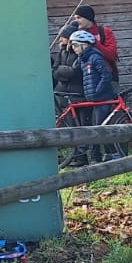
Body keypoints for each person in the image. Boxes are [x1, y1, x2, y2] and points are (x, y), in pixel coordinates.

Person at [70, 30, 119, 163]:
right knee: (97, 125)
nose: (73, 49)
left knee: (99, 126)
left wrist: (97, 91)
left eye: (75, 45)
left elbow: (106, 75)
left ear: (84, 45)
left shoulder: (95, 57)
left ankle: (111, 154)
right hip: (94, 98)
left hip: (102, 97)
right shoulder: (84, 59)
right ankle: (106, 154)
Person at [51, 22, 91, 167]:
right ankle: (74, 154)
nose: (60, 40)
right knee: (69, 125)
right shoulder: (62, 52)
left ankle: (82, 156)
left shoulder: (78, 52)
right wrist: (64, 72)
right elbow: (55, 71)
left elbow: (75, 72)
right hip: (63, 93)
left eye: (62, 37)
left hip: (77, 94)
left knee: (80, 125)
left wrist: (63, 72)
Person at [73, 6, 119, 81]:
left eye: (79, 18)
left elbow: (112, 55)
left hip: (107, 77)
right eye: (75, 18)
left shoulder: (105, 31)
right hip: (86, 78)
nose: (76, 21)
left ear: (88, 18)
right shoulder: (77, 34)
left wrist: (94, 43)